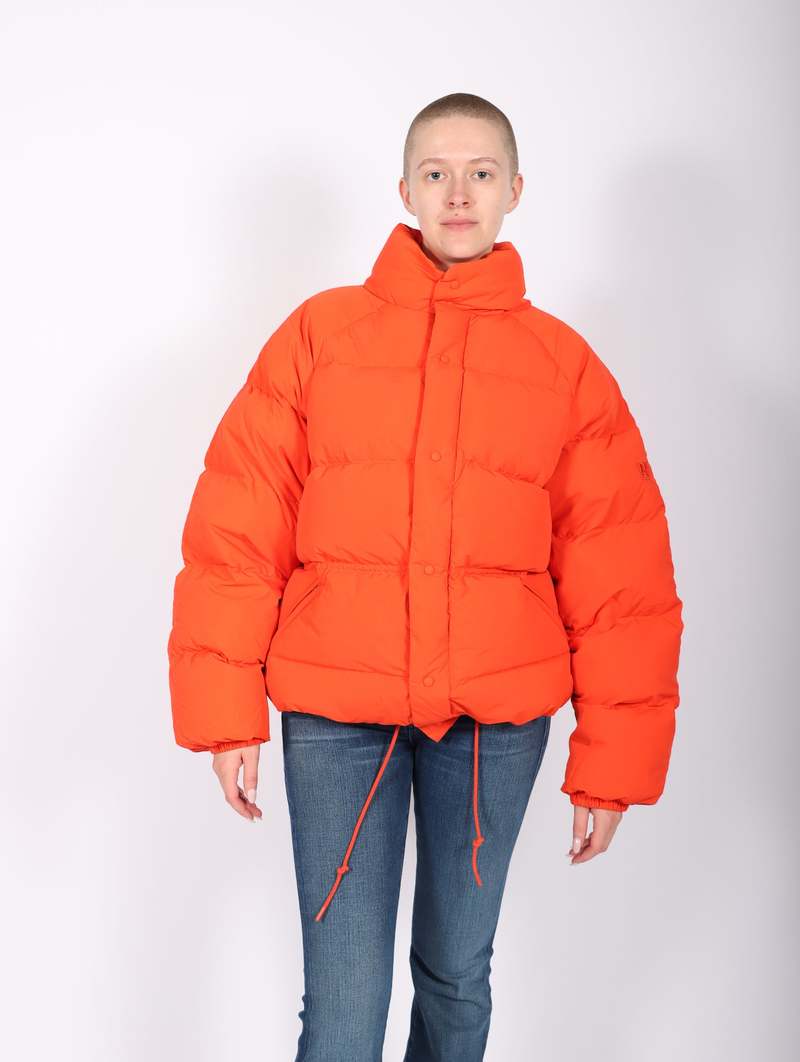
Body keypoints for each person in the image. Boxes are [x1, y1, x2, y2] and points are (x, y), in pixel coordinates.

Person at [167, 92, 683, 1061]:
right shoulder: (319, 335)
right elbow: (239, 524)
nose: (457, 194)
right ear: (403, 189)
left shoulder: (562, 365)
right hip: (336, 714)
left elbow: (620, 573)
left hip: (492, 726)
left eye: (480, 173)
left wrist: (613, 763)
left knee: (455, 980)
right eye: (436, 173)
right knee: (344, 1002)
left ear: (515, 190)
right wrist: (224, 710)